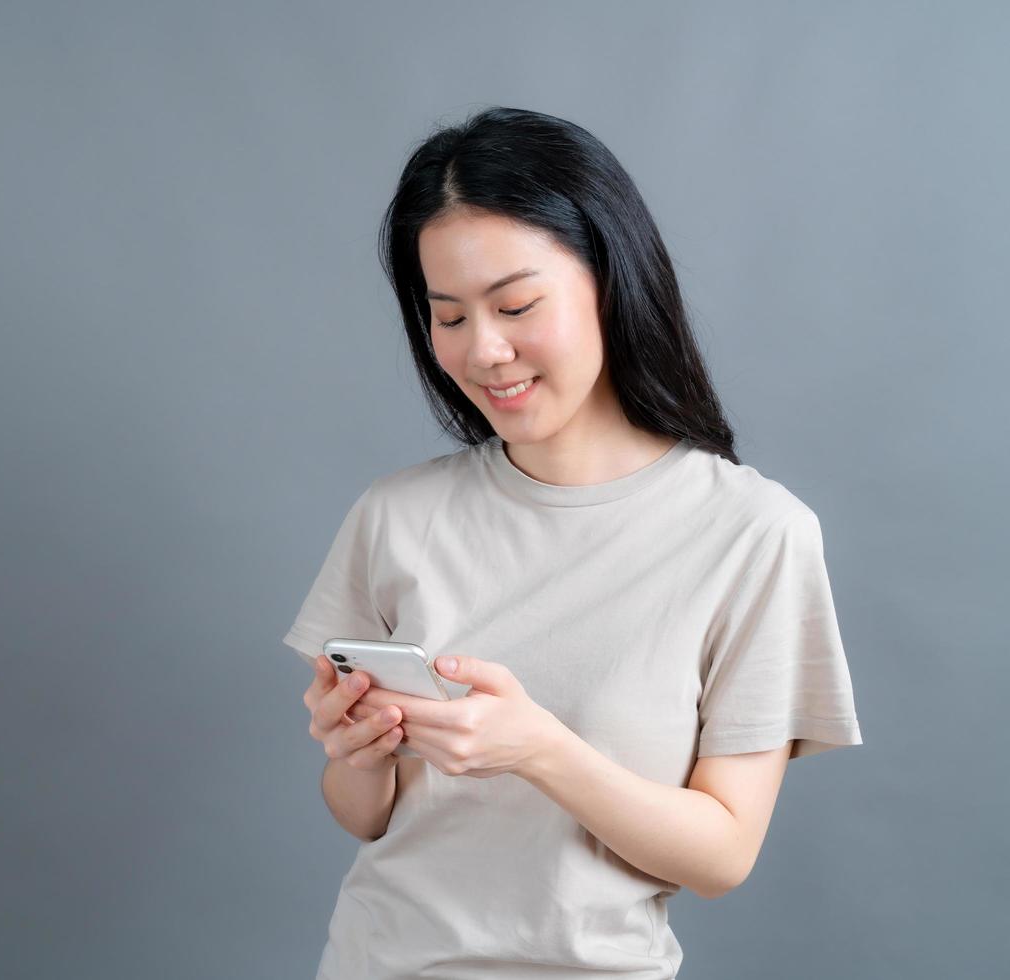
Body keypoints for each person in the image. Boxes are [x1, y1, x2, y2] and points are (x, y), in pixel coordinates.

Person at [282, 106, 864, 980]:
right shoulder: (396, 516)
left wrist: (537, 749)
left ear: (610, 279)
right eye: (447, 316)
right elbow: (366, 816)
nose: (484, 350)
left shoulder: (754, 534)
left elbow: (722, 854)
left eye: (516, 304)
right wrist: (354, 756)